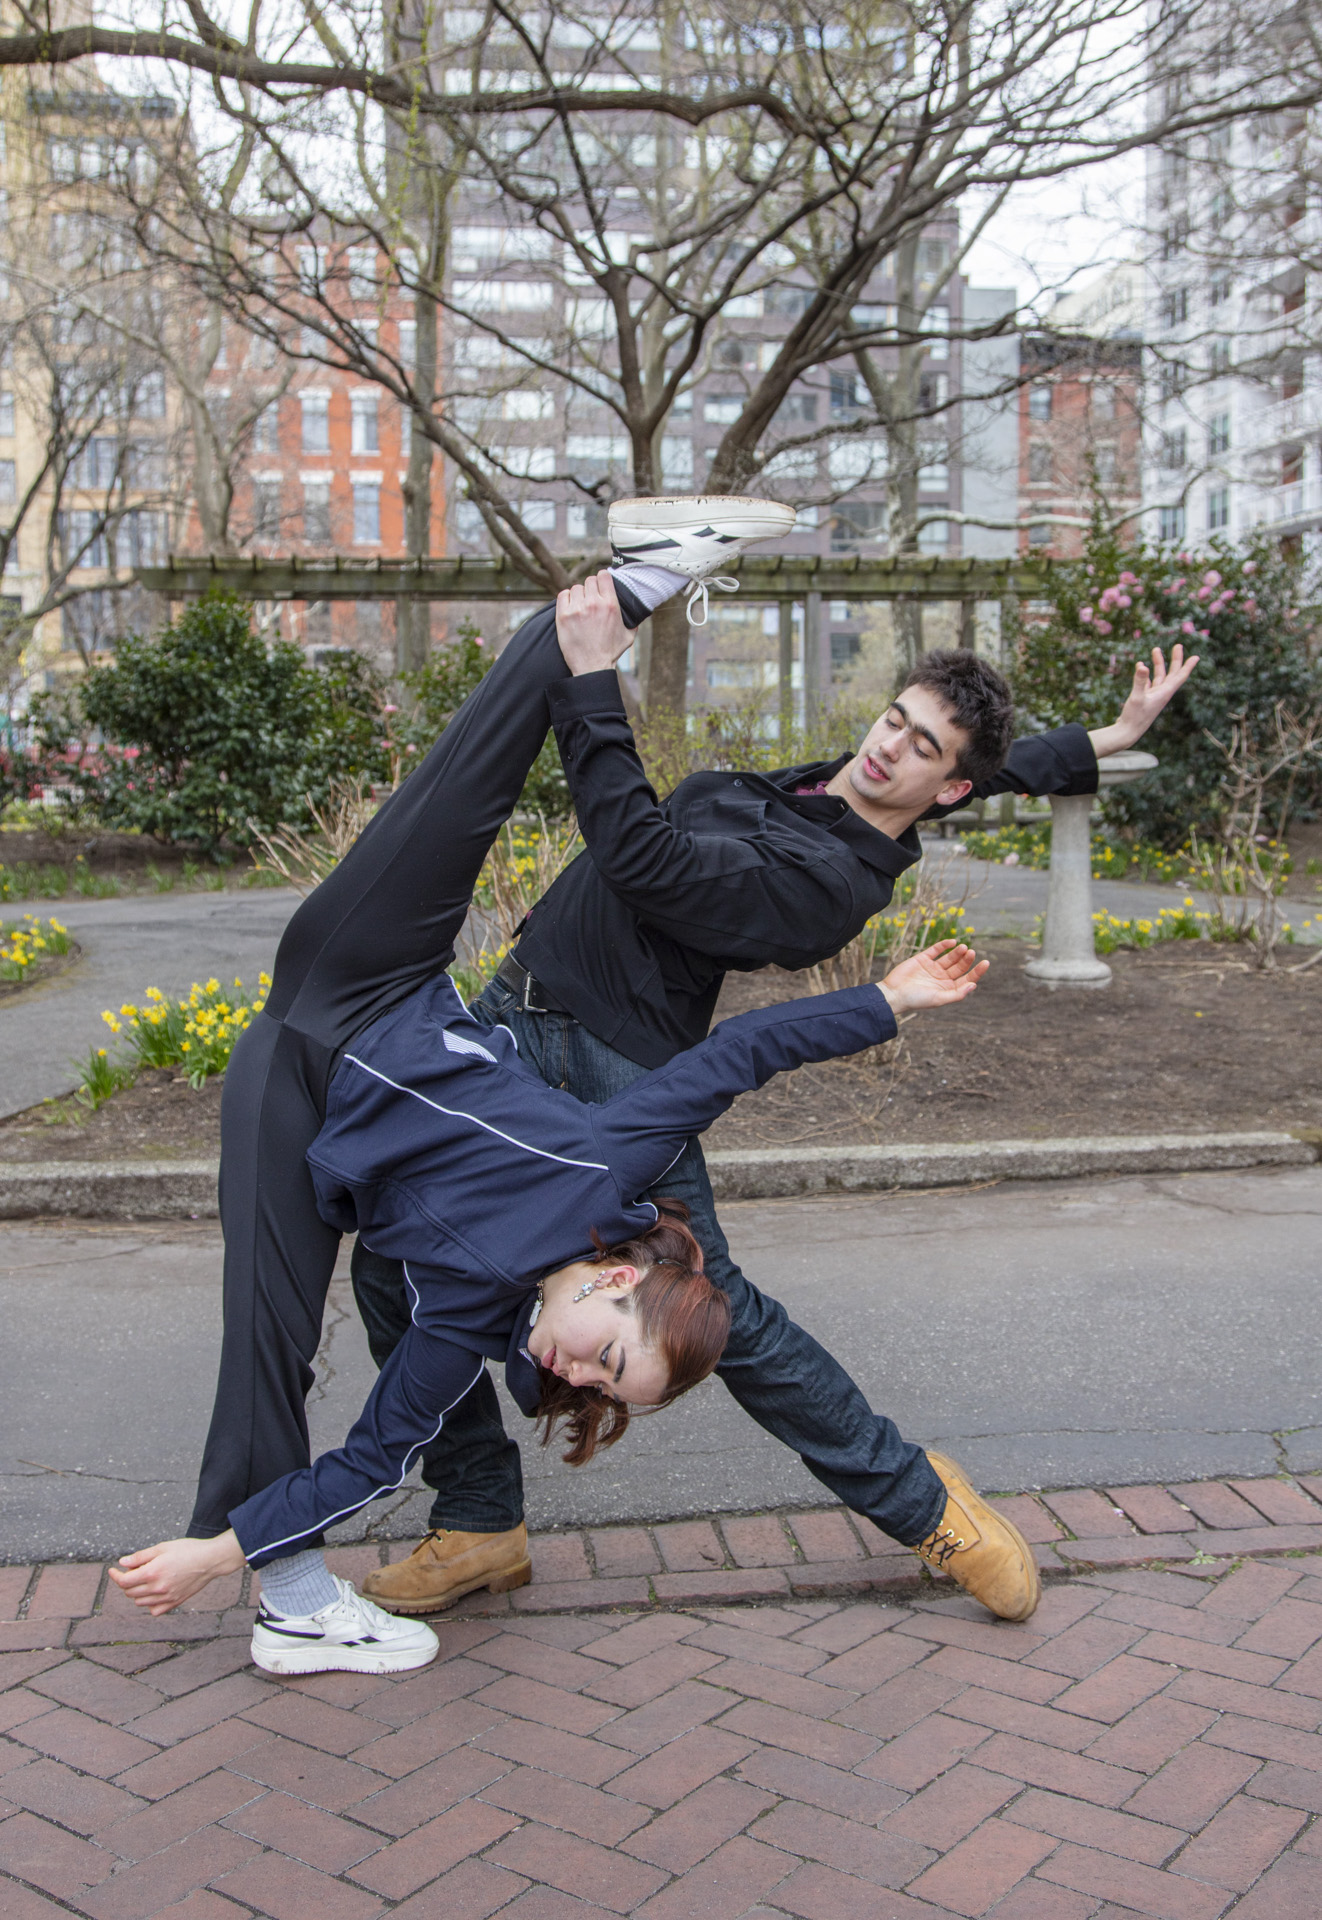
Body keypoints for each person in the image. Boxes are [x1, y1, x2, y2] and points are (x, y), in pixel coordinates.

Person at [109, 541, 992, 1678]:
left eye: (592, 1387)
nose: (577, 1375)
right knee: (475, 759)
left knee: (264, 1341)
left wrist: (219, 1554)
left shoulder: (465, 1321)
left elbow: (376, 1453)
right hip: (371, 980)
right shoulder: (602, 1168)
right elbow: (745, 1051)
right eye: (607, 1362)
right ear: (617, 1280)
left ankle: (287, 1595)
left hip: (295, 1104)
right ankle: (641, 574)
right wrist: (888, 997)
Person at [347, 499, 1200, 1625]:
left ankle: (922, 1509)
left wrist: (590, 680)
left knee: (725, 1319)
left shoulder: (823, 883)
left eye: (919, 748)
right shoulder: (835, 789)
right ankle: (478, 1520)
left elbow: (641, 858)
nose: (886, 744)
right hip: (514, 1017)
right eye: (893, 718)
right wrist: (1106, 736)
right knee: (390, 1263)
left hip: (612, 1068)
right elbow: (989, 765)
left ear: (938, 789)